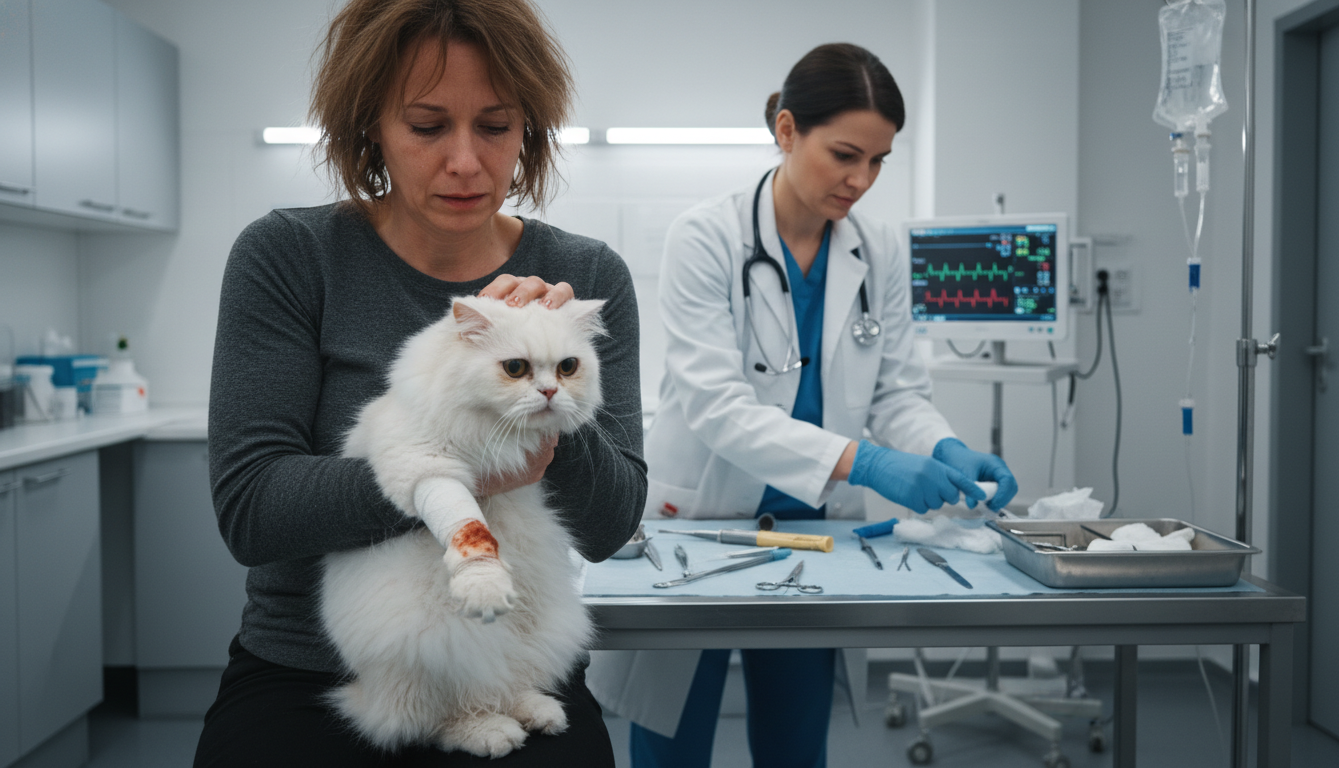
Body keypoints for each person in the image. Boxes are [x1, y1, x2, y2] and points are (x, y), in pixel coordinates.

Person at [194, 1, 646, 765]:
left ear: (529, 128)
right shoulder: (290, 256)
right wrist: (461, 468)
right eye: (428, 126)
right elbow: (252, 510)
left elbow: (610, 526)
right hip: (312, 669)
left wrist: (546, 397)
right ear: (370, 125)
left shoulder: (585, 275)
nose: (465, 161)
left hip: (512, 659)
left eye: (495, 126)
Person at [586, 43, 1018, 768]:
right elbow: (717, 405)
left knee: (795, 746)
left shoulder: (878, 251)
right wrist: (867, 462)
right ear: (787, 130)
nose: (861, 180)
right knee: (672, 745)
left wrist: (940, 444)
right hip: (702, 522)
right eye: (845, 155)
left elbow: (897, 391)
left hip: (813, 536)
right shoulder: (707, 237)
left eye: (878, 161)